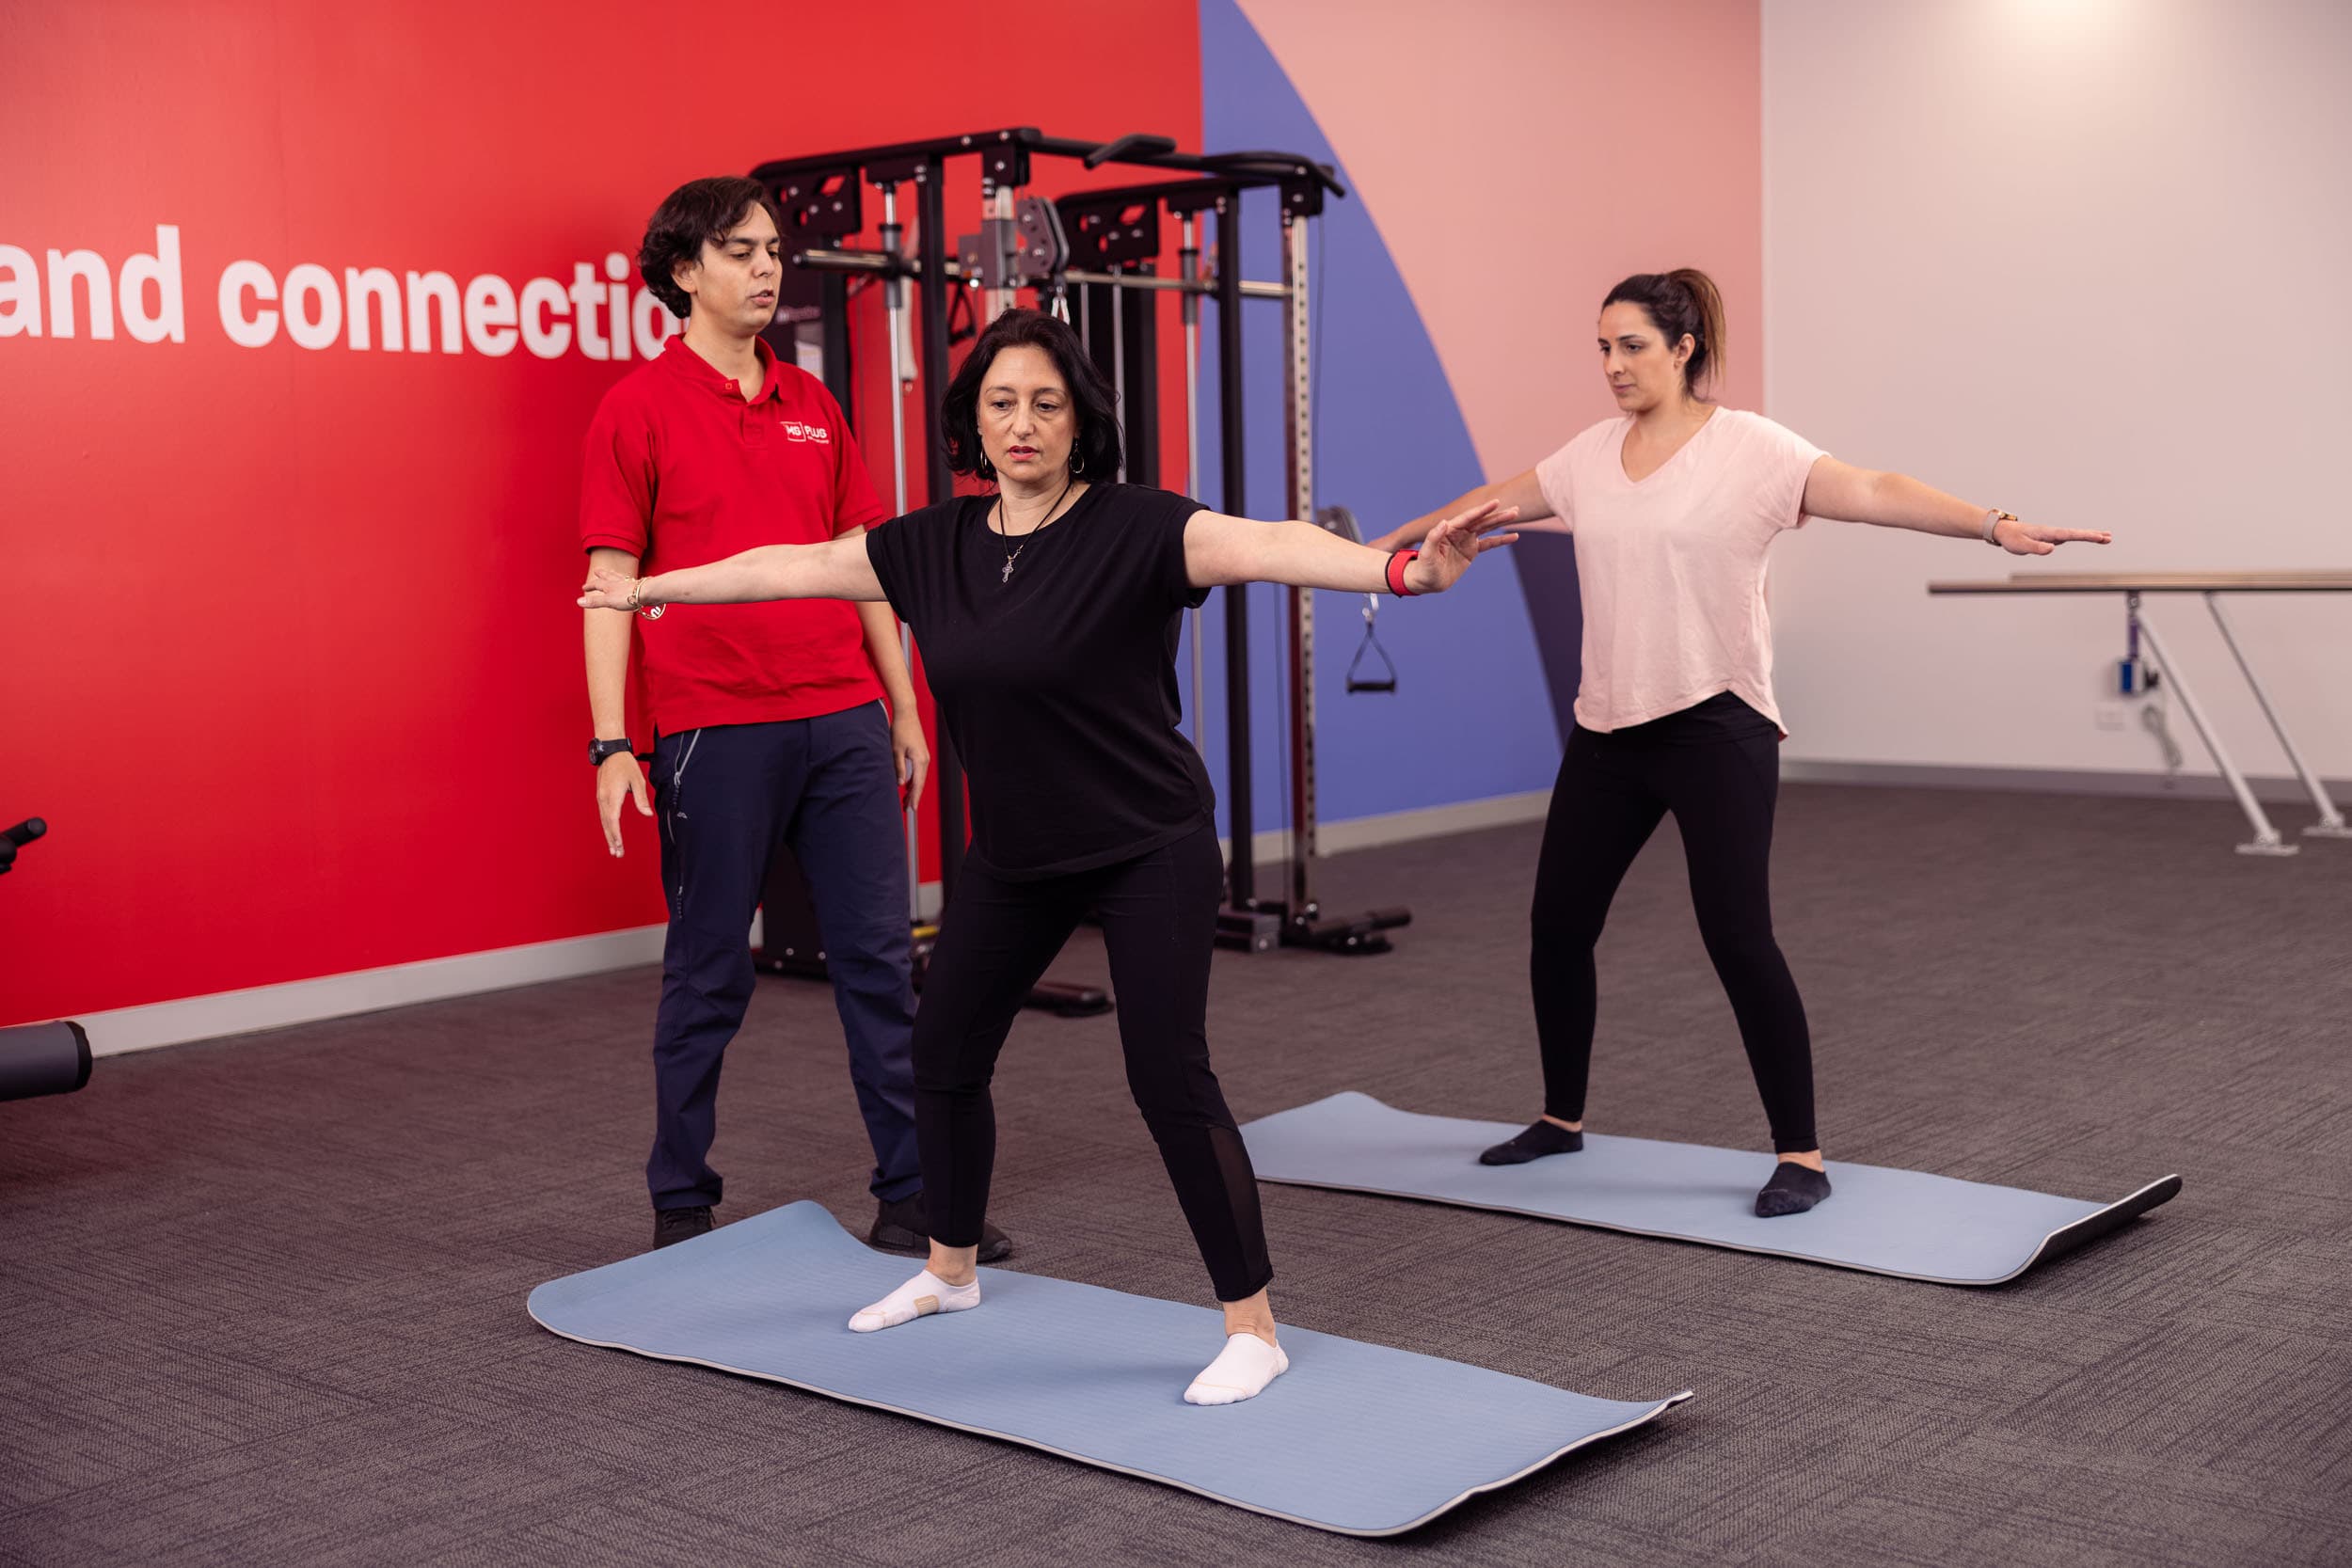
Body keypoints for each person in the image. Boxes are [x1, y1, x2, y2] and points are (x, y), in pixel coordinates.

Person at [581, 306, 1516, 1403]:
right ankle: (950, 1266)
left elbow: (1272, 544)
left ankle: (1252, 1324)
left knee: (1166, 1072)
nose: (1021, 422)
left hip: (1145, 843)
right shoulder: (931, 545)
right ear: (971, 423)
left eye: (1045, 403)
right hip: (1018, 856)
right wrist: (647, 587)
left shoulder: (1137, 528)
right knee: (943, 1049)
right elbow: (786, 566)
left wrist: (1398, 573)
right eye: (1000, 403)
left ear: (1079, 423)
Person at [1373, 268, 2109, 1217]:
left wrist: (1990, 523)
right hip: (1607, 729)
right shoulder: (1589, 455)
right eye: (1601, 346)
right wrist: (1375, 553)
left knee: (1735, 934)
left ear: (1683, 349)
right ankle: (1560, 1119)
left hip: (1716, 724)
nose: (1612, 364)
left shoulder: (1749, 449)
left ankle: (1799, 1152)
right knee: (1557, 924)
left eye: (1631, 345)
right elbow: (1483, 505)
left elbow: (1872, 486)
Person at [580, 175, 1006, 1263]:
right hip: (714, 729)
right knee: (711, 969)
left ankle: (914, 1196)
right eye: (740, 251)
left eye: (774, 249)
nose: (767, 269)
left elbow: (867, 566)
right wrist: (612, 744)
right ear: (684, 271)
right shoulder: (636, 408)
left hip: (844, 722)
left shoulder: (813, 401)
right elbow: (609, 582)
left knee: (879, 962)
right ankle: (682, 1201)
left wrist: (903, 703)